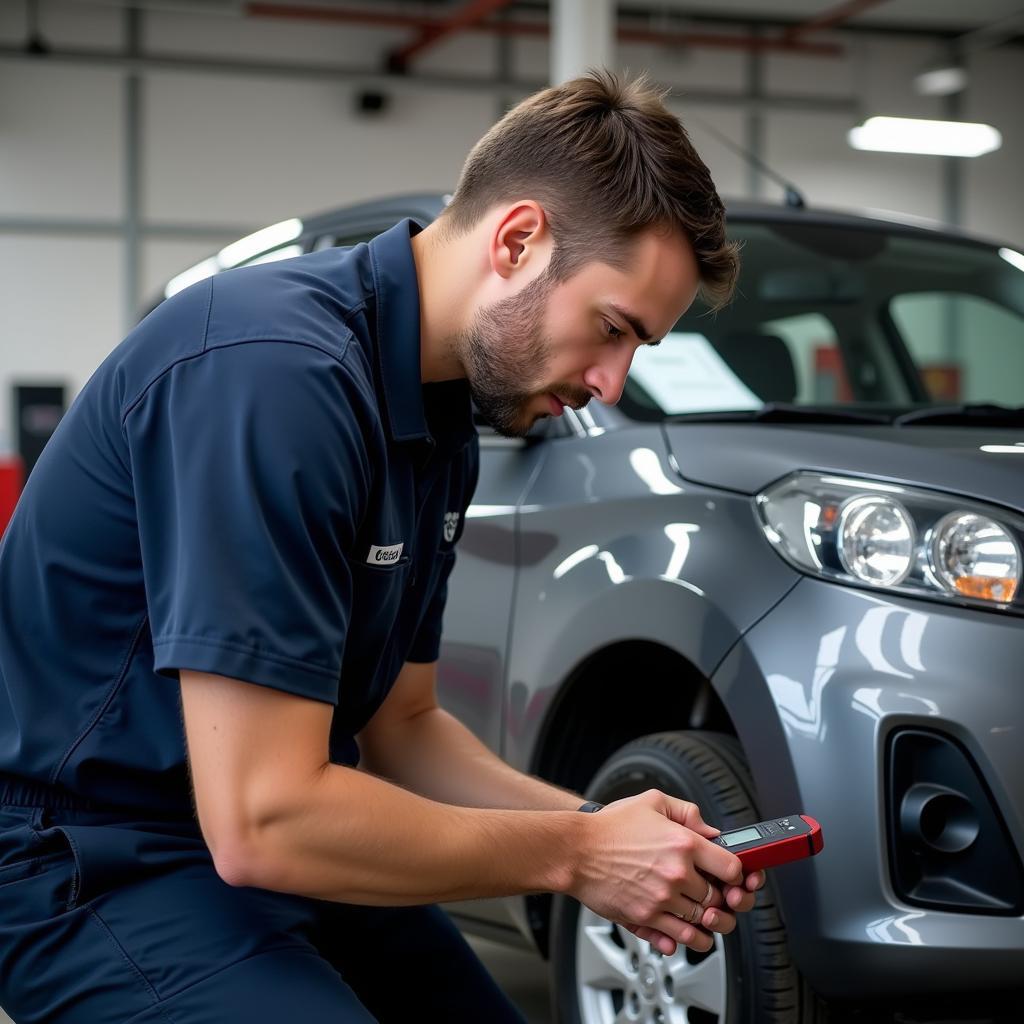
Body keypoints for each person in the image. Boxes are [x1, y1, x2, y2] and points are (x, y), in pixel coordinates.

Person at [0, 71, 761, 1023]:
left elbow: (401, 728)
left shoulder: (441, 422)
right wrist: (577, 858)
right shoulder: (274, 379)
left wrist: (601, 829)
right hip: (91, 861)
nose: (612, 383)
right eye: (612, 329)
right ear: (518, 241)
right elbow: (263, 822)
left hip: (253, 847)